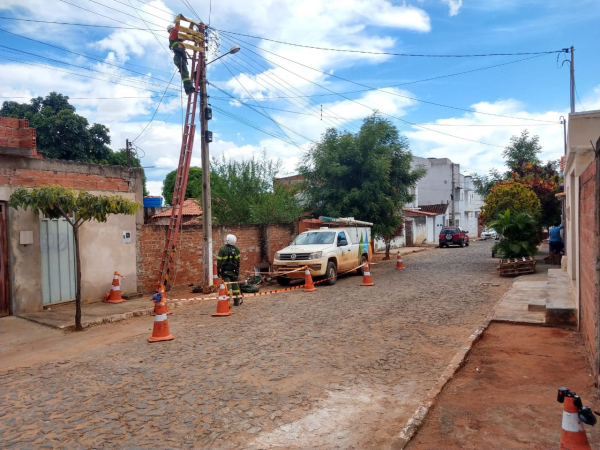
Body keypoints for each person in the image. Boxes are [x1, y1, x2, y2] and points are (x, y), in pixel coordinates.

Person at [168, 17, 195, 95]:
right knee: (185, 74)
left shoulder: (177, 39)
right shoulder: (172, 36)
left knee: (185, 74)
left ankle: (189, 88)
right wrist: (178, 21)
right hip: (178, 58)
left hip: (181, 58)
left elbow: (187, 35)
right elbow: (176, 30)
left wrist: (191, 25)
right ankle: (188, 88)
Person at [217, 234, 242, 306]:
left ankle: (227, 303)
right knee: (235, 286)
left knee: (226, 287)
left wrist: (218, 269)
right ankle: (237, 302)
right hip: (234, 270)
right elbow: (238, 261)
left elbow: (219, 261)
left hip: (225, 271)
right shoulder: (237, 249)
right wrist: (237, 268)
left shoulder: (222, 249)